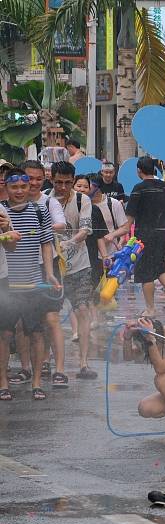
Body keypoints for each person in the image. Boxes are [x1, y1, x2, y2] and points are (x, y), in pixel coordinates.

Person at [2, 170, 58, 400]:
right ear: (6, 187)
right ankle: (3, 382)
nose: (19, 192)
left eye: (23, 187)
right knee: (4, 334)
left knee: (36, 333)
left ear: (29, 188)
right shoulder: (1, 211)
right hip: (6, 283)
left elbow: (46, 244)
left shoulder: (39, 210)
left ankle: (36, 382)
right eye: (14, 188)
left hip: (34, 283)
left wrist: (50, 273)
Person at [13, 161, 67, 389]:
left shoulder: (48, 202)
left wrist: (34, 229)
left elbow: (61, 224)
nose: (33, 183)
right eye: (28, 178)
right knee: (19, 323)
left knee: (52, 319)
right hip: (18, 268)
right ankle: (26, 368)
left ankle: (60, 370)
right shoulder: (7, 205)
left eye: (38, 179)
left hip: (48, 266)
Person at [49, 162, 97, 379]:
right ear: (52, 179)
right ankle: (47, 362)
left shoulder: (82, 199)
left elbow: (86, 228)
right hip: (53, 267)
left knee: (83, 310)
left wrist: (71, 242)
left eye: (68, 182)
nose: (63, 187)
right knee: (50, 316)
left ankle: (84, 363)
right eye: (59, 182)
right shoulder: (44, 200)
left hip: (80, 265)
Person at [125, 157, 165, 317]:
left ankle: (150, 308)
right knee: (160, 266)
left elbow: (129, 219)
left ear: (139, 171)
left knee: (145, 273)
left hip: (145, 235)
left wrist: (117, 233)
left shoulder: (138, 189)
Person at [72, 175, 110, 324]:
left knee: (88, 292)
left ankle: (91, 321)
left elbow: (100, 236)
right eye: (78, 185)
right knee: (74, 296)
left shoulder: (94, 210)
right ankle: (78, 328)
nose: (82, 189)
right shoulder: (63, 206)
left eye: (85, 186)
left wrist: (105, 256)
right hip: (71, 257)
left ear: (90, 189)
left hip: (91, 258)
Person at [0, 202, 22, 400]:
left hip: (2, 278)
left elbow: (12, 246)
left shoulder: (1, 209)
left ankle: (3, 381)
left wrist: (7, 228)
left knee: (5, 333)